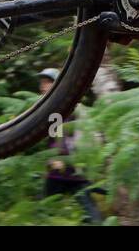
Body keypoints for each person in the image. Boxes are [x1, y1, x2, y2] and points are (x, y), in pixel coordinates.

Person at [38, 68, 102, 224]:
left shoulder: (66, 107)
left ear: (57, 84)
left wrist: (59, 158)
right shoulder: (53, 108)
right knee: (46, 208)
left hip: (67, 167)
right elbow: (53, 136)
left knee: (44, 209)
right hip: (62, 169)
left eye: (46, 82)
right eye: (42, 83)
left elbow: (68, 135)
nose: (42, 86)